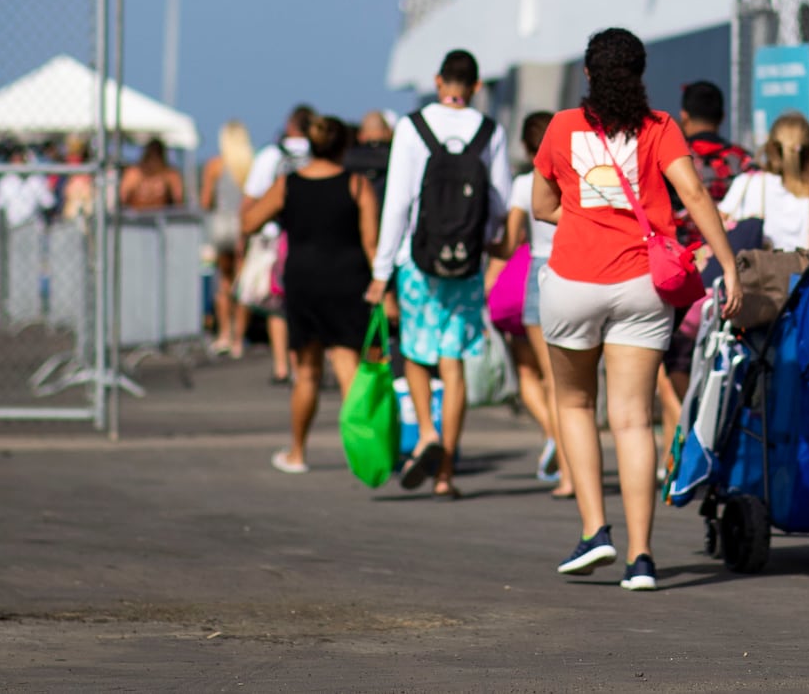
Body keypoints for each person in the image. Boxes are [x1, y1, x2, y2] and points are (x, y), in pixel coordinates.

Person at [532, 27, 743, 592]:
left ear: (588, 74)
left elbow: (540, 204)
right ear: (640, 75)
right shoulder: (661, 128)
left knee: (576, 405)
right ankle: (642, 557)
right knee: (632, 419)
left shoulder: (560, 127)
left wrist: (584, 220)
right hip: (642, 286)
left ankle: (593, 529)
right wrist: (725, 263)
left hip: (573, 281)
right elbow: (695, 197)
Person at [366, 50, 508, 498]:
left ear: (437, 79)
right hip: (465, 263)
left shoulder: (412, 127)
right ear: (476, 85)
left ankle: (426, 431)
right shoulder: (490, 131)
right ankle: (445, 471)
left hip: (417, 261)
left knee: (416, 351)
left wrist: (381, 268)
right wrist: (482, 241)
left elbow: (398, 202)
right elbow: (499, 204)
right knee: (454, 360)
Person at [235, 113, 379, 474]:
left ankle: (297, 452)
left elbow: (249, 222)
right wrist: (383, 288)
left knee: (308, 372)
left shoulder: (288, 185)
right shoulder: (358, 186)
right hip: (349, 280)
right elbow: (371, 244)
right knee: (348, 367)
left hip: (304, 281)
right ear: (345, 146)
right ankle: (362, 451)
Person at [659, 80, 754, 422]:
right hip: (730, 271)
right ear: (723, 116)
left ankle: (694, 425)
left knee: (676, 362)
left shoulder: (675, 157)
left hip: (683, 272)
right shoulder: (743, 161)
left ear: (684, 116)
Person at [502, 110, 567, 493]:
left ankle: (558, 443)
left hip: (540, 274)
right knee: (575, 380)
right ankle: (565, 443)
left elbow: (509, 242)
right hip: (580, 267)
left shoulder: (524, 184)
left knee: (546, 377)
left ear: (527, 148)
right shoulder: (572, 177)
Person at [245, 108, 316, 384]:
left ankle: (282, 366)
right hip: (314, 238)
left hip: (276, 239)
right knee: (308, 302)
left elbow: (251, 200)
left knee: (278, 305)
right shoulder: (318, 154)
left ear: (289, 125)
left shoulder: (271, 156)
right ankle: (306, 363)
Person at [718, 112, 809, 251]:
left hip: (750, 270)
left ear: (771, 147)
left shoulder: (746, 183)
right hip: (798, 271)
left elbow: (715, 227)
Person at [199, 121, 256, 358]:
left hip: (221, 224)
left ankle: (224, 333)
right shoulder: (250, 165)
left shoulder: (215, 165)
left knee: (223, 281)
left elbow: (205, 200)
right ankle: (239, 339)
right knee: (243, 284)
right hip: (244, 224)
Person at [0, 143, 55, 229]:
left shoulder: (36, 180)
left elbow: (48, 203)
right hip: (12, 229)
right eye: (15, 159)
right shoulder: (5, 182)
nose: (18, 162)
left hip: (34, 230)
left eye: (20, 159)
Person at [118, 137, 186, 211]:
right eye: (151, 155)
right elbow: (122, 198)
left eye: (157, 155)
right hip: (135, 218)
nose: (153, 160)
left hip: (161, 218)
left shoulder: (170, 175)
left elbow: (179, 201)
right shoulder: (133, 174)